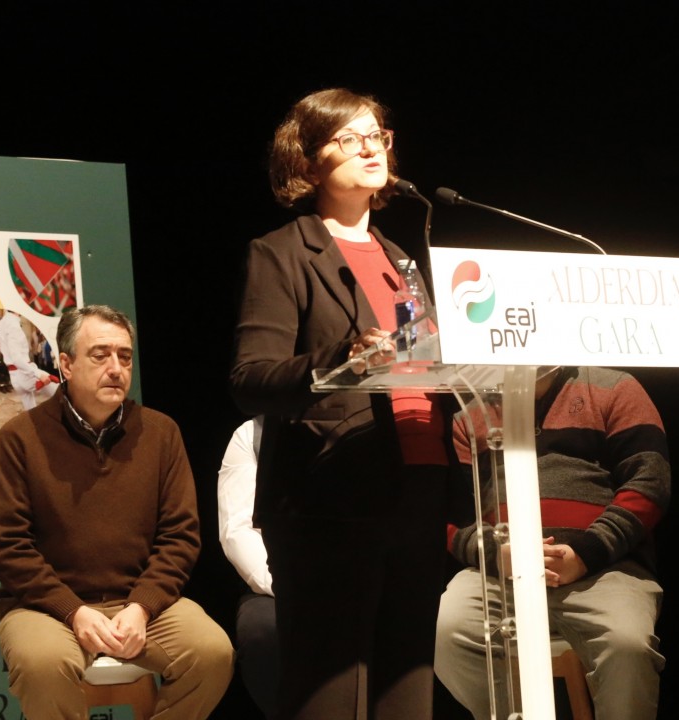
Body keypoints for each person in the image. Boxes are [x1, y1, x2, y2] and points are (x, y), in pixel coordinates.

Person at [229, 87, 463, 720]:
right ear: (307, 163)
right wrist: (343, 358)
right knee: (329, 699)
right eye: (349, 137)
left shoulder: (400, 260)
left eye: (377, 135)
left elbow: (425, 362)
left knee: (406, 697)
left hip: (419, 487)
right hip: (331, 499)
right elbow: (251, 377)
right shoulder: (281, 253)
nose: (370, 148)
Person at [0, 304, 234, 720]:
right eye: (100, 355)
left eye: (124, 356)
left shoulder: (161, 433)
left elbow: (180, 537)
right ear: (66, 365)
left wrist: (142, 606)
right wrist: (72, 610)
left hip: (139, 605)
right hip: (46, 609)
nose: (116, 368)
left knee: (212, 652)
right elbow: (8, 546)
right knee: (44, 666)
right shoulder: (20, 438)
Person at [434, 366, 670, 720]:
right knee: (449, 631)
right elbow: (452, 513)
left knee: (626, 645)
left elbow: (650, 482)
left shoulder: (614, 387)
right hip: (501, 576)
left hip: (605, 569)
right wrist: (496, 555)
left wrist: (587, 553)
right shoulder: (470, 408)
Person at [216, 415, 278, 720]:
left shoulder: (374, 424)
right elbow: (237, 530)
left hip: (361, 573)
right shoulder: (253, 434)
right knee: (263, 630)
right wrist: (286, 585)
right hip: (276, 581)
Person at [0, 308, 58, 410]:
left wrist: (8, 353)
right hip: (25, 373)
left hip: (14, 376)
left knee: (31, 410)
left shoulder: (1, 323)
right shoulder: (13, 325)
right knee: (59, 393)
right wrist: (39, 374)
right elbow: (16, 359)